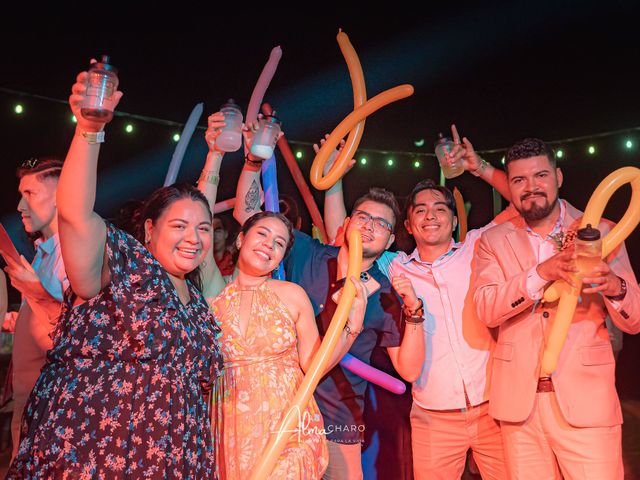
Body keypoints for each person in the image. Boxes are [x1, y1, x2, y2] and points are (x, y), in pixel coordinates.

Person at [7, 70, 222, 478]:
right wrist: (89, 129)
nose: (194, 238)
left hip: (176, 456)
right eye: (179, 226)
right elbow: (73, 214)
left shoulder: (198, 305)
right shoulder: (127, 265)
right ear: (150, 229)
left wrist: (219, 156)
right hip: (97, 453)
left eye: (204, 229)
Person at [234, 132, 425, 480]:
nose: (369, 227)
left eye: (382, 224)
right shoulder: (306, 252)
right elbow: (249, 215)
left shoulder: (384, 295)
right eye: (363, 217)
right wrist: (254, 161)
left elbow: (409, 371)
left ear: (391, 239)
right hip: (281, 409)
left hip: (339, 422)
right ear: (347, 223)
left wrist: (414, 310)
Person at [473, 137, 640, 479]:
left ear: (558, 177)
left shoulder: (601, 231)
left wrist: (615, 287)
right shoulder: (491, 241)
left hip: (587, 403)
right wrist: (540, 274)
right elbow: (486, 309)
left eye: (540, 176)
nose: (530, 187)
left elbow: (635, 320)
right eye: (519, 180)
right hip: (520, 407)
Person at [386, 127, 513, 480]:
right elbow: (351, 249)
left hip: (494, 409)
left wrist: (481, 168)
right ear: (409, 225)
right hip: (433, 416)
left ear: (454, 220)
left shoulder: (477, 246)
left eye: (440, 209)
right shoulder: (394, 266)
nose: (431, 216)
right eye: (421, 211)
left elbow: (522, 204)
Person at [211, 210, 367, 479]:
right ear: (240, 240)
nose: (268, 245)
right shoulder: (213, 303)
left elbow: (313, 364)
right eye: (262, 234)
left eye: (279, 243)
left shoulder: (293, 295)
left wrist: (352, 326)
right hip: (232, 429)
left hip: (288, 425)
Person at [1, 157, 68, 461]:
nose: (19, 206)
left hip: (52, 406)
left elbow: (80, 333)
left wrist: (37, 294)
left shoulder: (73, 254)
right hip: (29, 401)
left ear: (60, 197)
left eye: (29, 194)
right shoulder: (43, 253)